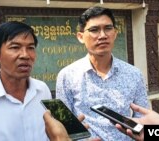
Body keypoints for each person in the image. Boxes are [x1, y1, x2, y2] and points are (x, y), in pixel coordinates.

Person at [55, 6, 149, 140]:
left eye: (108, 28)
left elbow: (143, 117)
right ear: (81, 37)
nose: (103, 35)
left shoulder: (134, 74)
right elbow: (63, 125)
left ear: (115, 33)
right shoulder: (67, 76)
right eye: (94, 30)